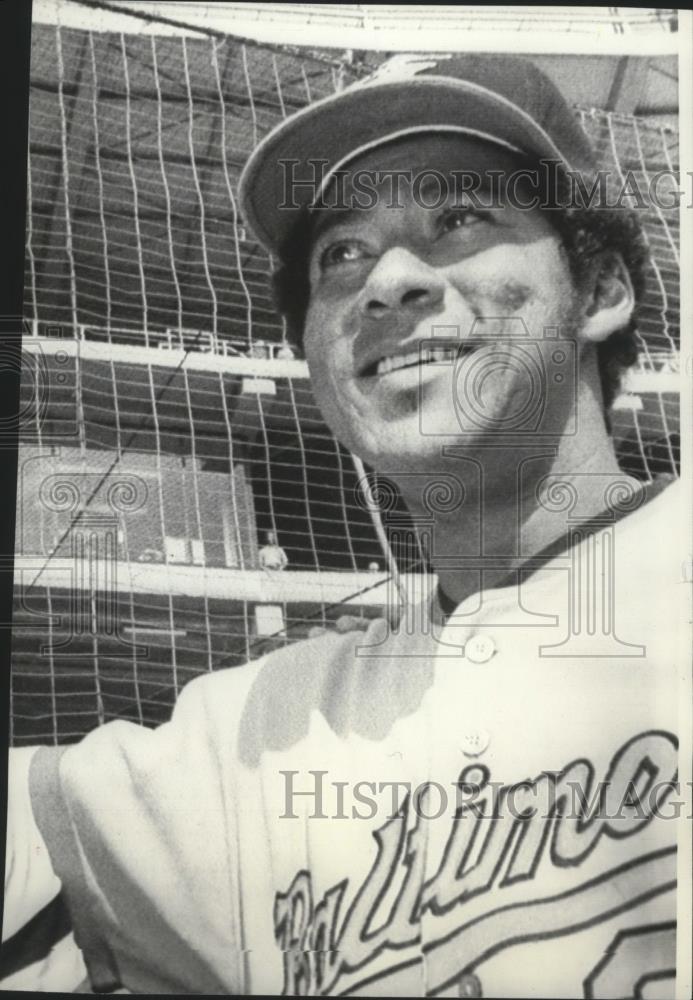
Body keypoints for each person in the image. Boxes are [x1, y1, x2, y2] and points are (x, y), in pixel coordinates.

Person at [3, 55, 684, 997]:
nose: (388, 281)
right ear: (317, 360)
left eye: (460, 218)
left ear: (601, 290)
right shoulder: (253, 738)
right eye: (342, 255)